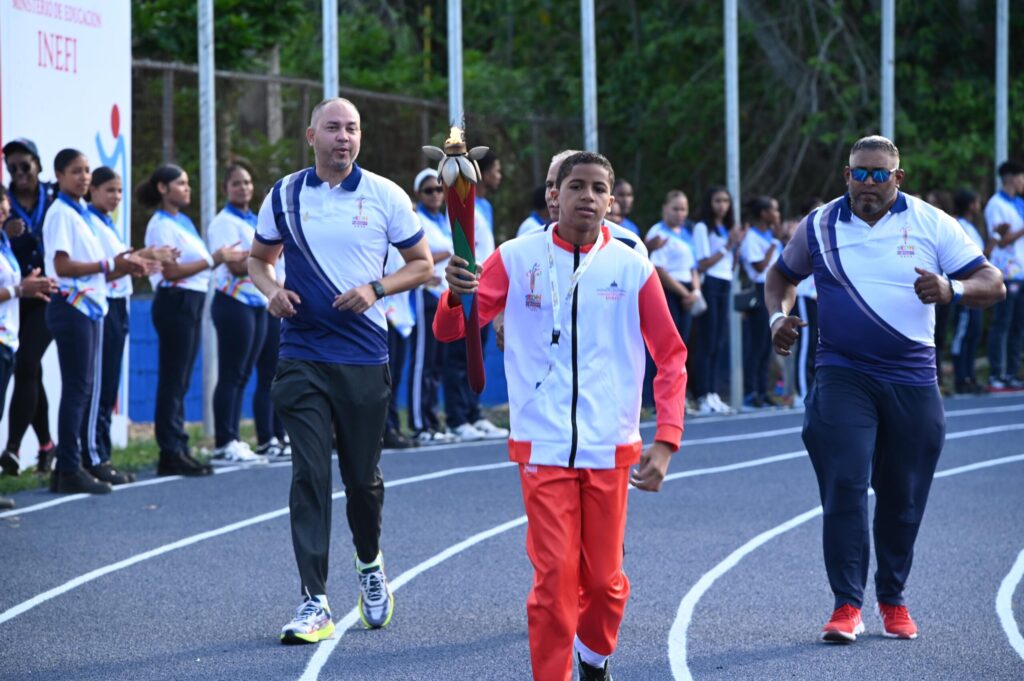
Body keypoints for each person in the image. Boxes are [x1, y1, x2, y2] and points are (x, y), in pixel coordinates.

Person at [435, 151, 686, 681]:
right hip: (541, 446)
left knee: (603, 583)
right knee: (553, 582)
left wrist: (666, 439)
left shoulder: (632, 265)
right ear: (554, 195)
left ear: (612, 201)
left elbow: (670, 355)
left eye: (599, 189)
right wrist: (453, 296)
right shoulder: (514, 256)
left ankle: (594, 655)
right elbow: (452, 331)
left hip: (609, 447)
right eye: (576, 186)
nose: (587, 197)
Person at [766, 135, 1004, 643]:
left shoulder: (932, 223)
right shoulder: (820, 225)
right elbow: (780, 277)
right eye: (859, 173)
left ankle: (892, 597)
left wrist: (950, 289)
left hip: (912, 377)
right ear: (845, 175)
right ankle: (846, 605)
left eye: (879, 174)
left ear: (899, 178)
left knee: (902, 497)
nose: (868, 183)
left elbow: (993, 282)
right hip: (842, 372)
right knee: (846, 484)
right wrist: (776, 319)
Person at [247, 97, 433, 643]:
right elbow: (259, 260)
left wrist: (376, 288)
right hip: (301, 353)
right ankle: (315, 602)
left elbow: (421, 264)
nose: (344, 137)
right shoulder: (283, 194)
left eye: (352, 128)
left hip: (363, 356)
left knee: (361, 481)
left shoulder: (386, 195)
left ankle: (370, 563)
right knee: (309, 473)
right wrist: (272, 291)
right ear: (311, 135)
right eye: (333, 128)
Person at [43, 149, 149, 494]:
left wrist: (128, 264)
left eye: (87, 171)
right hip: (72, 305)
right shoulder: (61, 213)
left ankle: (68, 468)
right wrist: (107, 265)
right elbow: (62, 266)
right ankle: (71, 466)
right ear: (59, 175)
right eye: (76, 171)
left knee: (84, 389)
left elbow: (100, 262)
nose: (84, 177)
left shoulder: (82, 216)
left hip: (89, 306)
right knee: (78, 390)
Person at [141, 164, 245, 477]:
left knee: (182, 378)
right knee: (174, 378)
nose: (187, 188)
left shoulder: (182, 221)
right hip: (176, 300)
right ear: (163, 188)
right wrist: (215, 259)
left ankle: (179, 445)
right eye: (180, 183)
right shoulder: (160, 225)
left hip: (192, 300)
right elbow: (170, 272)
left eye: (188, 182)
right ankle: (170, 450)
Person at [85, 167, 173, 482]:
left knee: (109, 386)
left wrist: (141, 260)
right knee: (99, 386)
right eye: (109, 190)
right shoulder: (89, 223)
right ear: (92, 190)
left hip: (119, 304)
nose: (116, 197)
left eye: (119, 191)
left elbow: (119, 265)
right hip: (103, 305)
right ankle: (93, 456)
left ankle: (101, 454)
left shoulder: (107, 224)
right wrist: (138, 259)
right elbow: (104, 271)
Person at [440, 150, 507, 442]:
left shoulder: (485, 207)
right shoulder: (451, 203)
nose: (498, 176)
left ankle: (474, 413)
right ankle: (457, 418)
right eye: (497, 170)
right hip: (462, 288)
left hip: (483, 288)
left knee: (475, 356)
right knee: (458, 357)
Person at [207, 163, 271, 465]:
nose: (243, 188)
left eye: (247, 182)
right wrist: (257, 257)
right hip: (233, 303)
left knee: (244, 373)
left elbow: (261, 257)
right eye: (236, 183)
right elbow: (234, 265)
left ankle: (233, 437)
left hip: (256, 302)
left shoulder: (254, 219)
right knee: (232, 373)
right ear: (225, 189)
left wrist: (254, 256)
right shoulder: (224, 222)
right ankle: (224, 440)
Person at [1, 138, 57, 474]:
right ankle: (47, 446)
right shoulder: (4, 203)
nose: (19, 173)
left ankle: (12, 450)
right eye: (12, 167)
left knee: (27, 363)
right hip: (16, 298)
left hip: (47, 296)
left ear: (38, 164)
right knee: (30, 371)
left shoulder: (54, 198)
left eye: (25, 165)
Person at [406, 168, 454, 446]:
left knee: (437, 363)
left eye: (439, 190)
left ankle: (433, 418)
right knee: (423, 361)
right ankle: (418, 422)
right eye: (428, 191)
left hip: (444, 296)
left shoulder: (444, 221)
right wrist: (445, 254)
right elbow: (414, 256)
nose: (435, 195)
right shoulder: (416, 220)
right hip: (424, 294)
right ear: (418, 195)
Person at [692, 186, 747, 414]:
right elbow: (703, 263)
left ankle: (713, 393)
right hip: (709, 283)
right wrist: (727, 246)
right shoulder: (702, 227)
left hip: (725, 283)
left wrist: (735, 246)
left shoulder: (726, 229)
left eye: (725, 201)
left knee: (718, 341)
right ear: (709, 202)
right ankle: (702, 394)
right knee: (706, 342)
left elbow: (731, 264)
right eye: (717, 200)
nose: (722, 205)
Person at [739, 195, 783, 408]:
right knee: (756, 345)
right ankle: (750, 391)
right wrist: (775, 242)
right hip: (759, 290)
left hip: (774, 290)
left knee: (767, 345)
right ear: (763, 214)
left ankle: (763, 390)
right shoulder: (753, 237)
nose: (777, 214)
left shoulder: (769, 236)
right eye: (773, 210)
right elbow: (758, 267)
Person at [984, 160, 1024, 391]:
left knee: (1018, 326)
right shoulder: (995, 205)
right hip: (1006, 272)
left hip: (1021, 272)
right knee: (1002, 323)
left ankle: (1011, 372)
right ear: (1011, 177)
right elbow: (1001, 240)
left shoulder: (1019, 203)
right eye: (1021, 177)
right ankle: (995, 374)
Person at [949, 189, 989, 394]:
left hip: (978, 289)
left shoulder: (972, 226)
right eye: (976, 201)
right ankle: (960, 378)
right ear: (969, 204)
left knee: (973, 333)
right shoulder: (959, 226)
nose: (979, 204)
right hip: (965, 288)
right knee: (962, 334)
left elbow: (982, 256)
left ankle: (970, 376)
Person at [791, 197, 823, 409]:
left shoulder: (827, 234)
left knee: (817, 345)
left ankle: (814, 389)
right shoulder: (802, 233)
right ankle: (801, 392)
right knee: (805, 345)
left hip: (819, 296)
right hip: (803, 294)